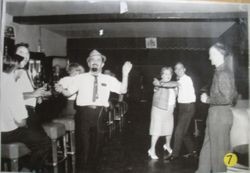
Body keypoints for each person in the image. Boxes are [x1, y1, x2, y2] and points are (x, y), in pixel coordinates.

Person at [55, 49, 132, 172]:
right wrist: (61, 89)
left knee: (97, 148)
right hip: (83, 114)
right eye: (92, 59)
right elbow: (68, 92)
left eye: (98, 59)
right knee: (83, 148)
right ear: (88, 63)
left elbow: (123, 90)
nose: (95, 62)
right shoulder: (80, 78)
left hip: (101, 115)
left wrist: (125, 74)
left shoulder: (108, 79)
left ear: (102, 64)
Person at [1, 54, 51, 172]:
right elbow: (21, 122)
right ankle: (26, 170)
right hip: (6, 134)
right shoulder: (11, 86)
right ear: (16, 69)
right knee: (44, 142)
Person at [195, 43, 237, 173]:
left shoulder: (224, 73)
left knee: (219, 153)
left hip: (220, 115)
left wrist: (208, 99)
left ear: (219, 55)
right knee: (207, 148)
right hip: (215, 114)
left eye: (211, 54)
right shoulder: (220, 71)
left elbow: (227, 98)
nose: (209, 57)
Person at [164, 62, 197, 161]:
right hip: (182, 107)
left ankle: (175, 154)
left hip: (188, 107)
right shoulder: (180, 80)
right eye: (176, 69)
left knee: (178, 131)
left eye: (180, 68)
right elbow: (177, 92)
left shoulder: (186, 79)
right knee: (184, 132)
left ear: (184, 69)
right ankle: (193, 152)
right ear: (175, 71)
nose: (178, 70)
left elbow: (175, 84)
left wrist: (162, 83)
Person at [14, 43, 49, 129]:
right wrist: (33, 94)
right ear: (14, 55)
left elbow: (29, 92)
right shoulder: (11, 72)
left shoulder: (27, 72)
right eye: (21, 52)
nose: (25, 56)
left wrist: (39, 96)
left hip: (32, 110)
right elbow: (11, 96)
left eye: (27, 53)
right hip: (20, 112)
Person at [148, 67, 177, 160]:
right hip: (158, 110)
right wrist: (158, 84)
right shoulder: (158, 84)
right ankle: (152, 149)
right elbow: (156, 85)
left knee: (169, 130)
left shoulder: (173, 84)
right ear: (161, 75)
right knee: (156, 131)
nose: (167, 76)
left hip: (170, 111)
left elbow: (174, 84)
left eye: (169, 74)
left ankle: (167, 145)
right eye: (165, 74)